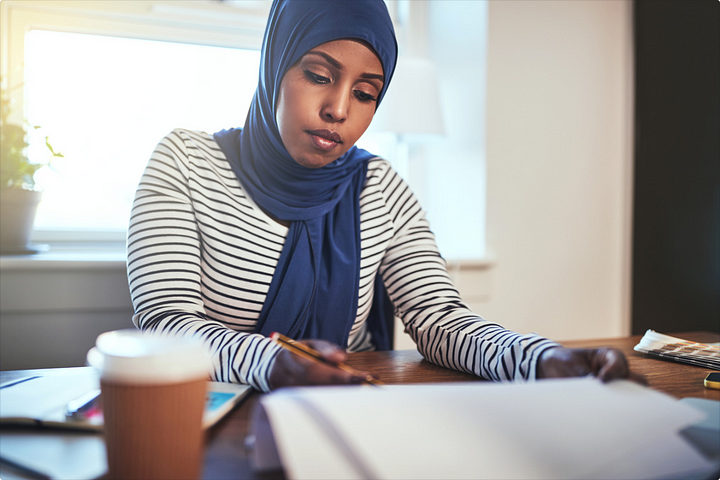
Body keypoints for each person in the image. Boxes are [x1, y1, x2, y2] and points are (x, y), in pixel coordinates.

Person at [127, 0, 643, 391]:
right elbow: (167, 324)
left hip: (343, 411)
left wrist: (541, 359)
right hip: (206, 417)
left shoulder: (380, 187)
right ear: (274, 65)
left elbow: (441, 322)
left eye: (365, 92)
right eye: (319, 75)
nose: (338, 108)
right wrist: (272, 362)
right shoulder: (185, 162)